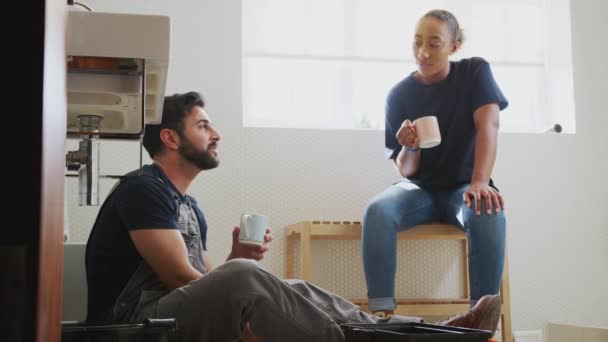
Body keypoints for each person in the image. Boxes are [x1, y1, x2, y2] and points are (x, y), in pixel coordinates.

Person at [85, 91, 503, 341]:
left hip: (171, 316)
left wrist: (237, 258)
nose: (216, 134)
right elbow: (181, 279)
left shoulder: (187, 206)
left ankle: (429, 332)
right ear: (171, 138)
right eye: (203, 126)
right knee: (243, 278)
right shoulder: (144, 188)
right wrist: (238, 274)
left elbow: (205, 288)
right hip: (131, 329)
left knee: (291, 283)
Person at [362, 9, 508, 319]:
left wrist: (480, 182)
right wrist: (409, 145)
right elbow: (406, 170)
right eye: (416, 42)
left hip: (464, 187)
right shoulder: (399, 94)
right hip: (419, 190)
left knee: (488, 208)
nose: (422, 53)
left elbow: (489, 126)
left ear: (453, 47)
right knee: (377, 211)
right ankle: (381, 317)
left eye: (434, 44)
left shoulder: (474, 72)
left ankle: (482, 319)